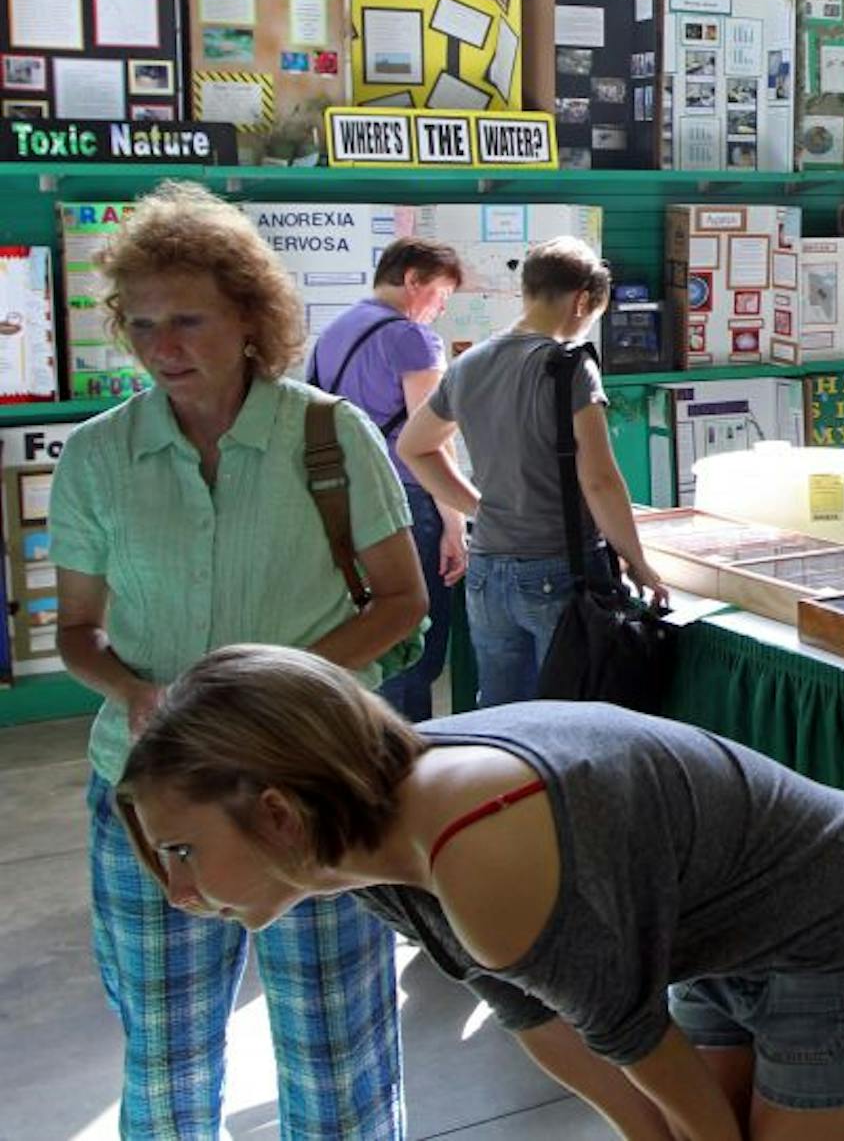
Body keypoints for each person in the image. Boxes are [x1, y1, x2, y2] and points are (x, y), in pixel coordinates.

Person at [114, 645, 844, 1141]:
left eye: (183, 851)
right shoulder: (359, 830)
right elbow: (537, 1018)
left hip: (840, 921)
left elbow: (630, 1033)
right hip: (711, 935)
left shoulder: (477, 850)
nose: (177, 891)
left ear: (278, 813)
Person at [50, 181, 426, 1139]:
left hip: (313, 785)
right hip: (151, 798)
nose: (162, 346)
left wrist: (272, 696)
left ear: (250, 318)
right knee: (166, 1050)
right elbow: (78, 631)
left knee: (337, 1050)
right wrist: (133, 691)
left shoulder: (328, 436)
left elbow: (402, 601)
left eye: (188, 320)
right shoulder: (99, 456)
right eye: (141, 325)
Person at [400, 236, 668, 707]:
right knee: (570, 714)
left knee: (503, 717)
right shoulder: (570, 366)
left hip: (487, 571)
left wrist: (480, 508)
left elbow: (414, 447)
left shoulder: (469, 364)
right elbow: (599, 479)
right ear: (582, 301)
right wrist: (639, 564)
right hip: (559, 569)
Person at [309, 237, 467, 721]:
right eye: (441, 293)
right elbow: (431, 438)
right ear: (413, 280)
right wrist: (455, 524)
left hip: (343, 503)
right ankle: (408, 751)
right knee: (413, 645)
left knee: (369, 632)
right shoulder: (412, 339)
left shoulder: (335, 331)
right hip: (408, 502)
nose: (442, 308)